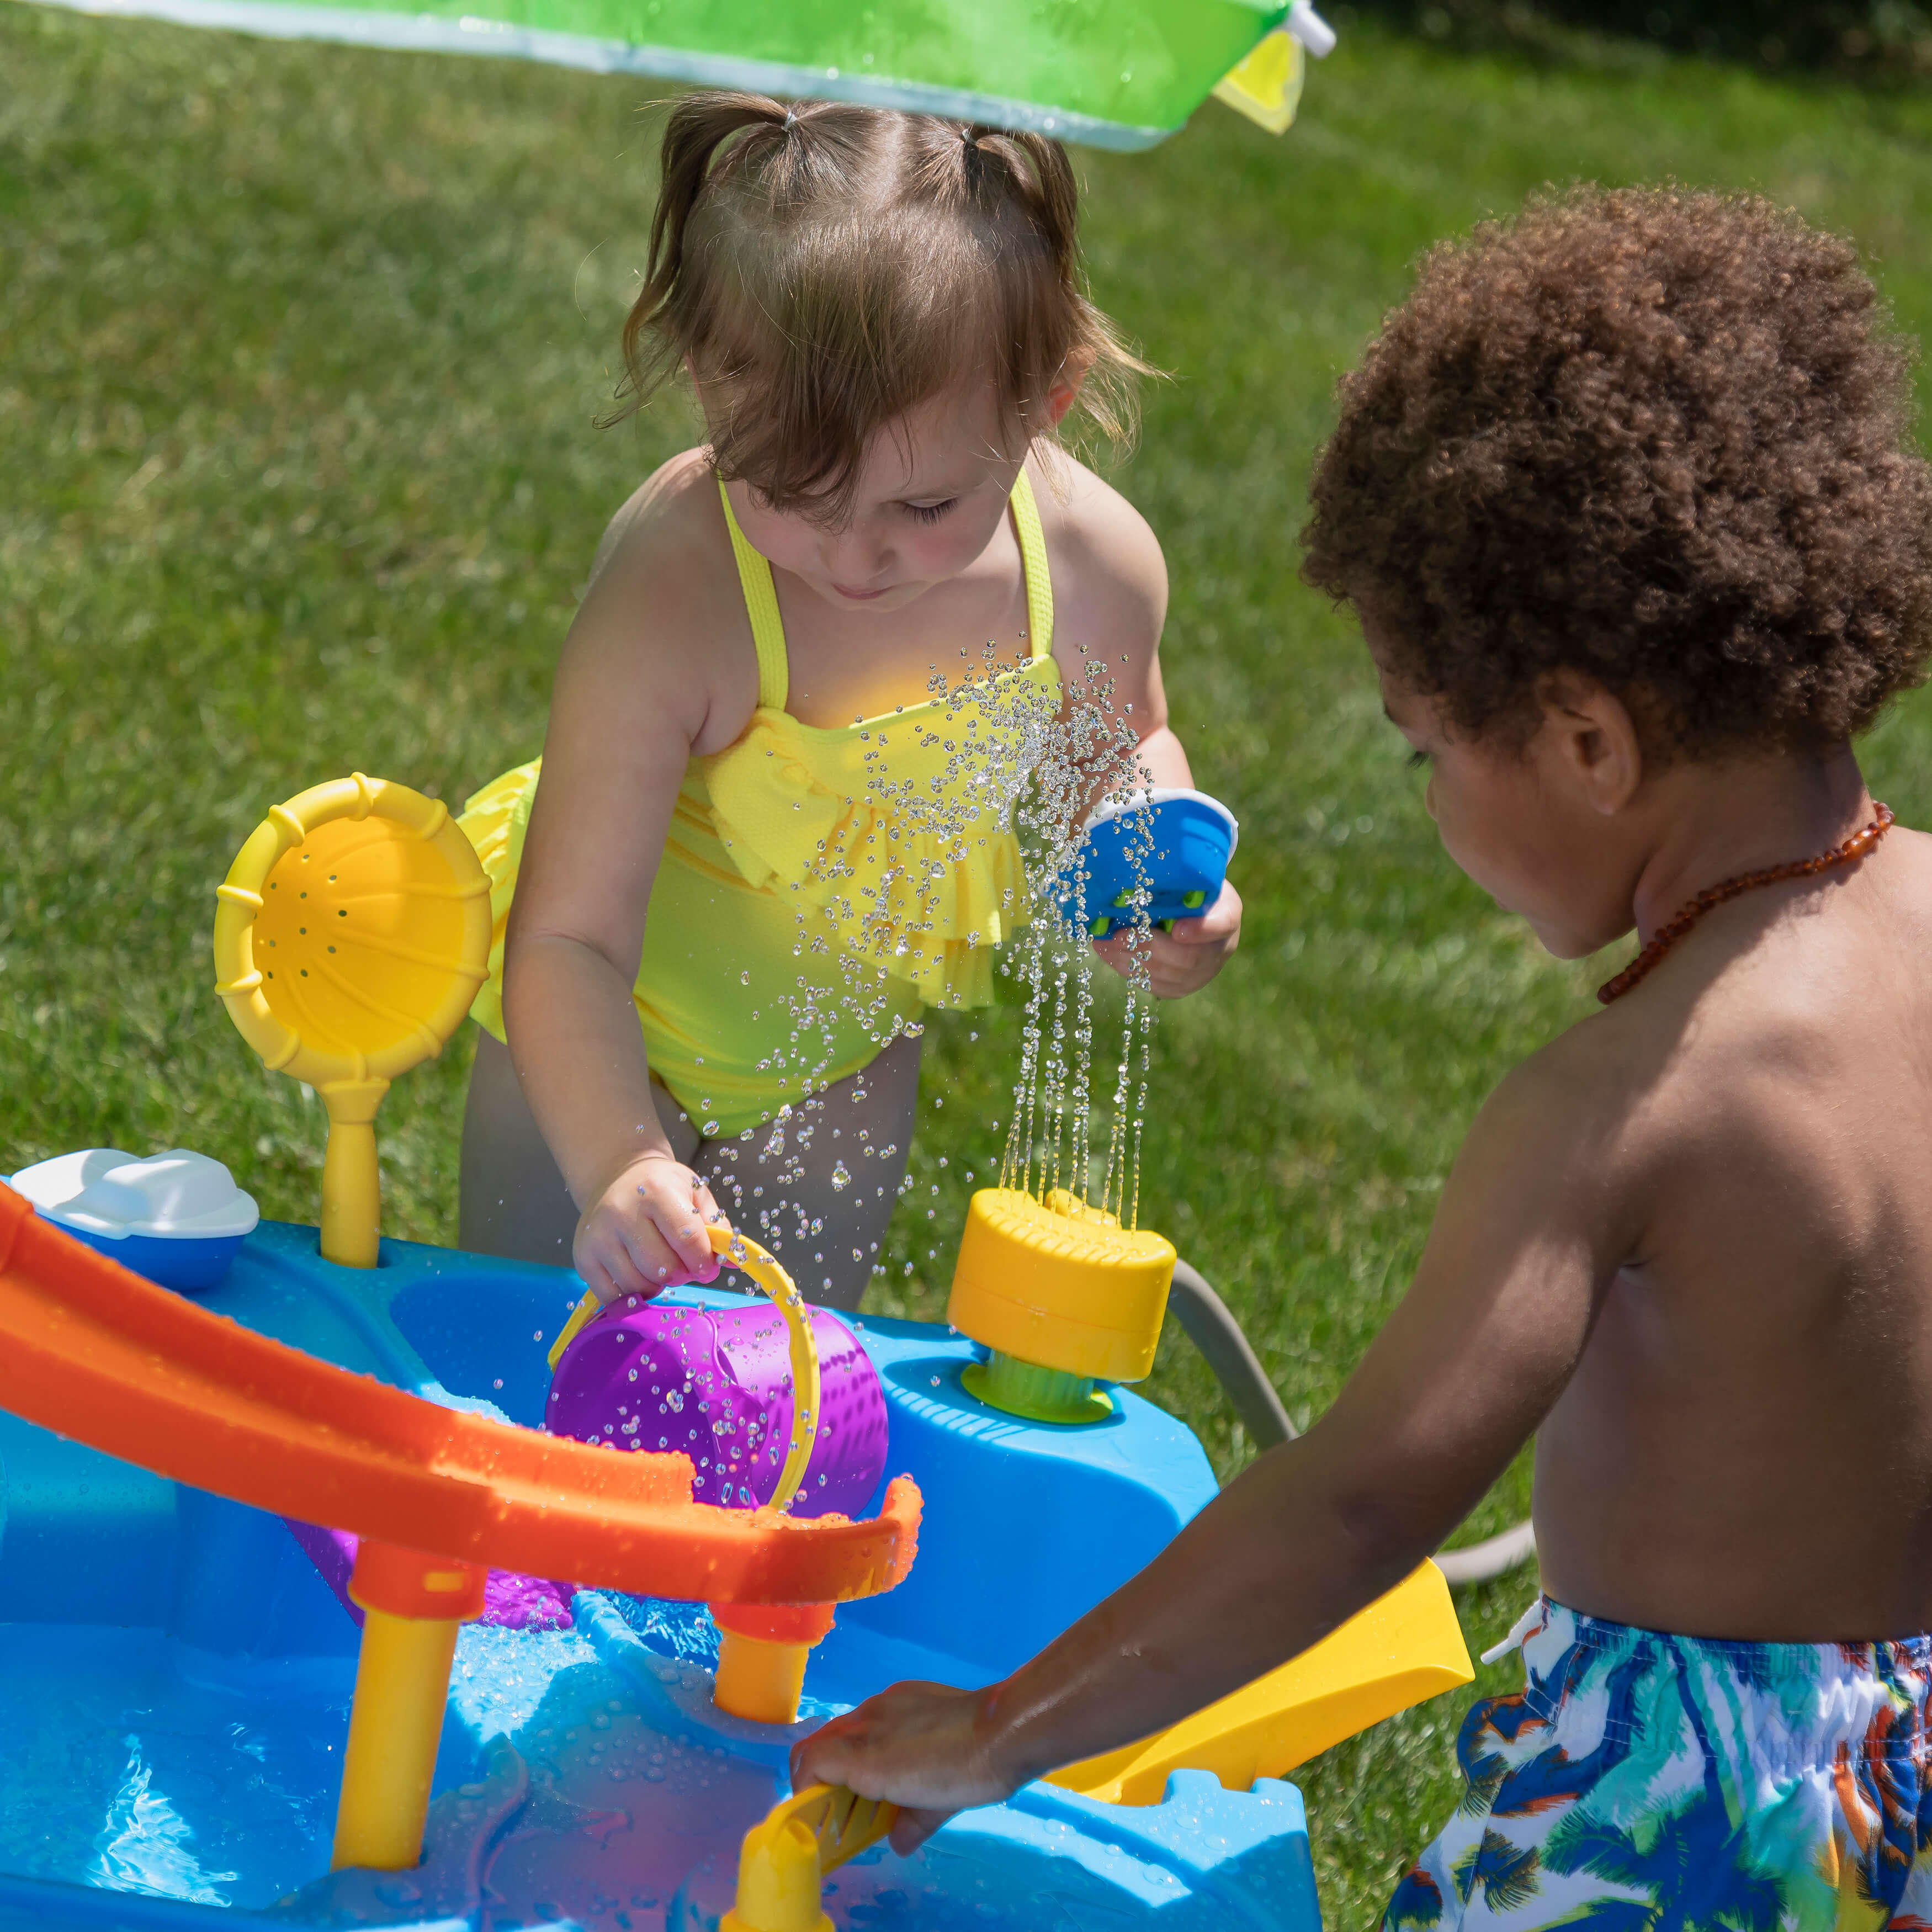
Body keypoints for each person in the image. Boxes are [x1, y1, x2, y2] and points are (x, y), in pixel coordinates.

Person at [793, 187, 1932, 1929]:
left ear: (1584, 738)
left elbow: (1359, 1502)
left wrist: (996, 1728)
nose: (1424, 804)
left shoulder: (1622, 1108)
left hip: (1664, 1826)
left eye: (1422, 752)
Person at [455, 93, 1242, 1312]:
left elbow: (1121, 743)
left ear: (1045, 399)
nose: (851, 557)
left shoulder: (1089, 566)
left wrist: (1149, 855)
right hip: (603, 1037)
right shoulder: (685, 584)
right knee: (525, 1354)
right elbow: (568, 936)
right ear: (705, 377)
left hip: (839, 1066)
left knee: (781, 1396)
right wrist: (619, 1159)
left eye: (921, 509)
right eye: (783, 486)